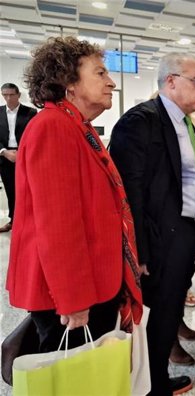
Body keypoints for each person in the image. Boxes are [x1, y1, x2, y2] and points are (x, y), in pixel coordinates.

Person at [6, 36, 143, 353]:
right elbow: (58, 224)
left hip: (94, 281)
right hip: (71, 294)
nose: (111, 82)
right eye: (99, 73)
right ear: (68, 82)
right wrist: (73, 299)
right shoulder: (53, 127)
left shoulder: (77, 126)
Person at [110, 53, 195, 395]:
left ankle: (155, 378)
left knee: (169, 310)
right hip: (158, 242)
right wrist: (138, 250)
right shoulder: (140, 122)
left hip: (182, 236)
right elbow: (130, 194)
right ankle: (153, 386)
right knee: (158, 317)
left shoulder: (183, 122)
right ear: (170, 81)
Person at [0, 83, 37, 232]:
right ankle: (13, 220)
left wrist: (22, 152)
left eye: (11, 95)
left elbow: (34, 135)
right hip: (5, 156)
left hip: (26, 155)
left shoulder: (30, 112)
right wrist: (4, 151)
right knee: (10, 190)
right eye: (5, 95)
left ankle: (30, 221)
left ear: (18, 95)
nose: (8, 98)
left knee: (28, 190)